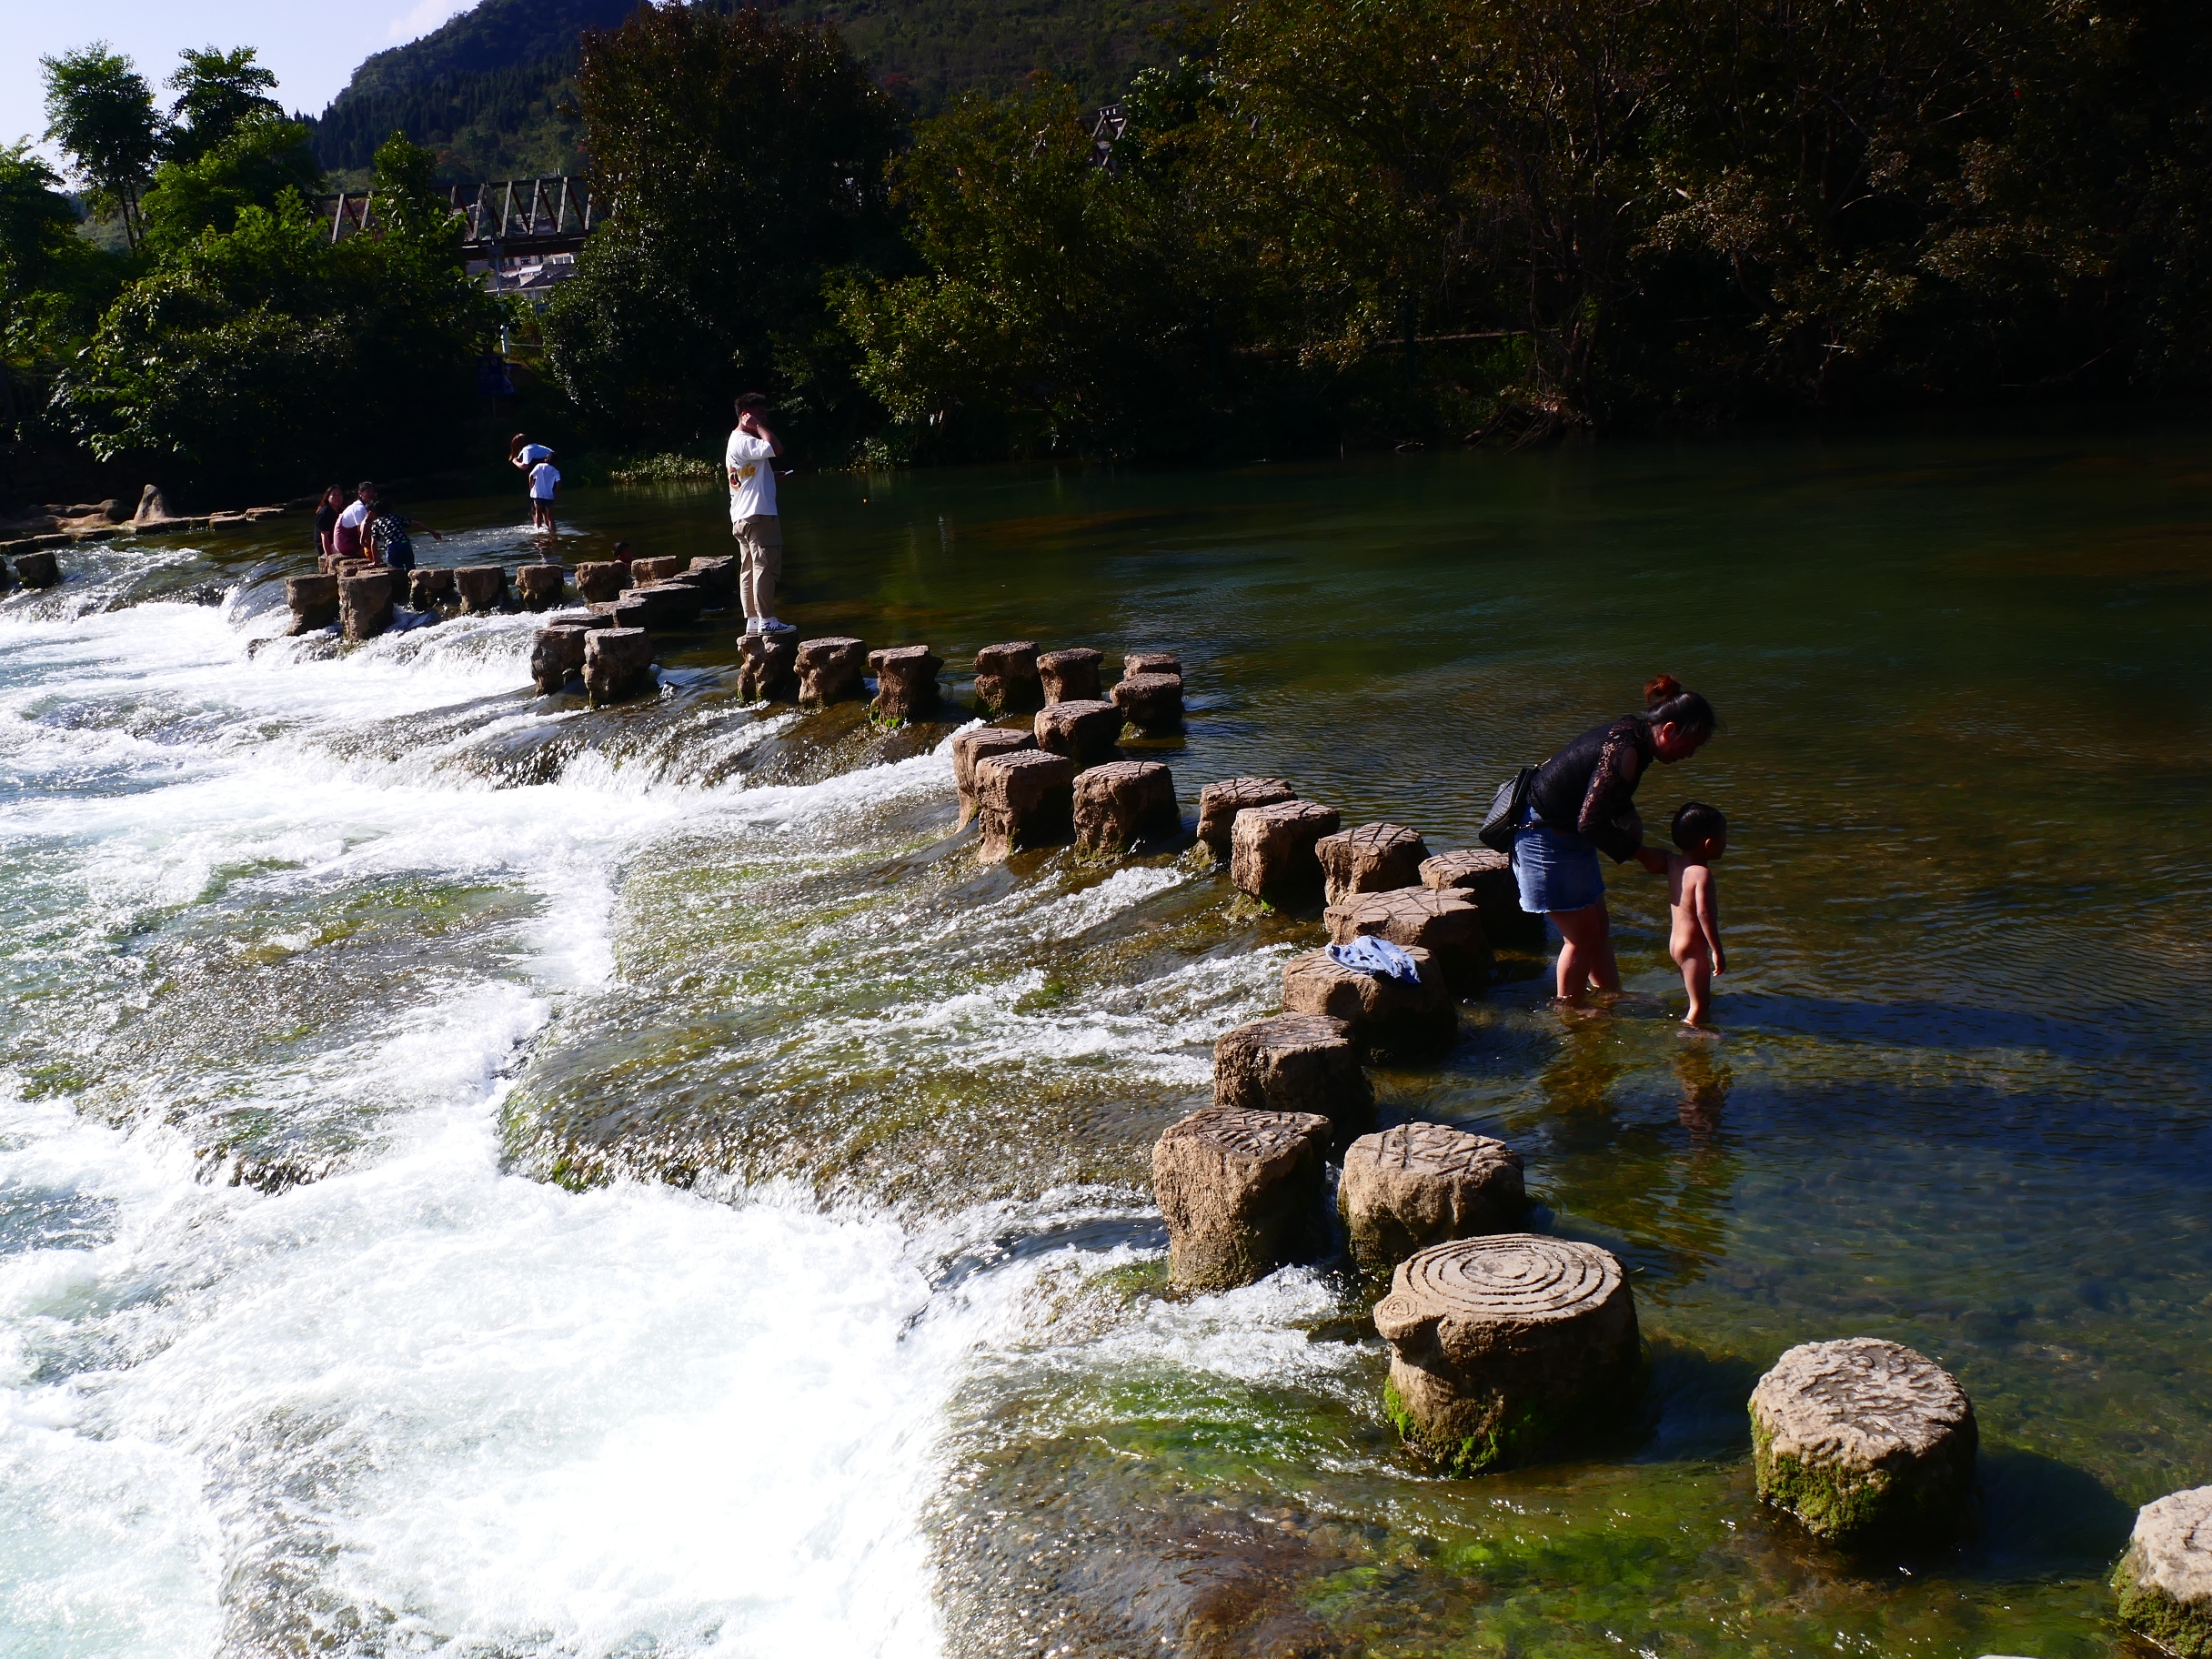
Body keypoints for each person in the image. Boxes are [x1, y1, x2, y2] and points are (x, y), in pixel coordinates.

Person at [1510, 673, 1719, 1007]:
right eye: (1690, 746)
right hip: (1542, 835)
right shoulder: (1626, 750)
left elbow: (1603, 788)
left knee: (1598, 928)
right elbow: (1590, 822)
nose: (1690, 755)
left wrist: (1628, 814)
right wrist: (1640, 853)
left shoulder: (1633, 733)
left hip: (1564, 832)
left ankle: (1609, 997)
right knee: (1581, 938)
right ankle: (1570, 1010)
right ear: (1668, 730)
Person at [1639, 801, 1728, 1025]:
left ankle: (1693, 1019)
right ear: (1709, 844)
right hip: (1692, 950)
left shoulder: (1672, 862)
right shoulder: (1702, 874)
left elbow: (1648, 856)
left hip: (1676, 945)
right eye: (1724, 836)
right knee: (1700, 1006)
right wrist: (1717, 950)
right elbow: (1704, 914)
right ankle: (1691, 1034)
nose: (1726, 841)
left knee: (1694, 996)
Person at [725, 392, 789, 634]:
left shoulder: (734, 441)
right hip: (759, 515)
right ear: (745, 415)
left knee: (749, 569)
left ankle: (753, 621)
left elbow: (744, 477)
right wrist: (759, 426)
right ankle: (767, 620)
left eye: (764, 413)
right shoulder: (746, 440)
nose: (764, 418)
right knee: (766, 565)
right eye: (759, 413)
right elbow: (776, 447)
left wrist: (770, 478)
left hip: (741, 516)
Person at [366, 497, 445, 579]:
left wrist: (375, 561)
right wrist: (432, 532)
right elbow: (416, 523)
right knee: (410, 567)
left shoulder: (376, 524)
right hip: (404, 543)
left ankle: (403, 586)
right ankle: (414, 583)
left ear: (375, 512)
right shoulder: (397, 517)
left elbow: (373, 543)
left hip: (392, 546)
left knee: (398, 570)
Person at [332, 481, 376, 564]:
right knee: (375, 557)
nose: (371, 494)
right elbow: (363, 532)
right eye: (368, 492)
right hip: (346, 542)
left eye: (373, 492)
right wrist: (372, 549)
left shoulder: (360, 506)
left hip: (344, 541)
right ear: (360, 494)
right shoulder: (360, 509)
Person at [313, 485, 346, 570]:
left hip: (336, 542)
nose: (337, 497)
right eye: (334, 495)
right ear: (328, 497)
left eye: (339, 495)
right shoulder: (325, 513)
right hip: (325, 548)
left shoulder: (340, 511)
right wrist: (329, 556)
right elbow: (324, 536)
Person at [528, 455, 559, 535]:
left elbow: (531, 476)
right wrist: (556, 493)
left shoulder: (539, 466)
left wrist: (531, 487)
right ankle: (553, 534)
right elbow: (559, 482)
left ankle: (538, 531)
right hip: (549, 496)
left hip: (538, 494)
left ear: (546, 459)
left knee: (538, 513)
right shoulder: (555, 471)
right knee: (550, 517)